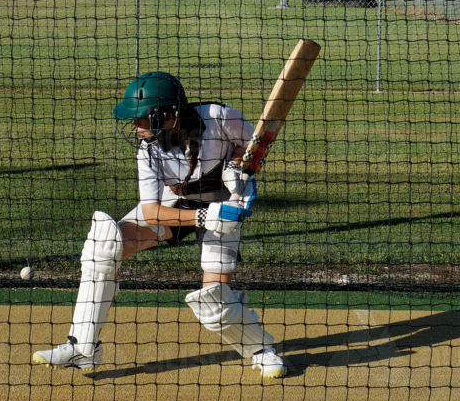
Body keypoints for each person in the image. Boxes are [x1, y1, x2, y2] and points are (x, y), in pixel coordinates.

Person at [32, 71, 287, 379]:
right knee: (103, 244)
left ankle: (261, 349)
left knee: (214, 301)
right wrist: (201, 217)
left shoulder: (219, 117)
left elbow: (254, 148)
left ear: (168, 115)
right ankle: (82, 348)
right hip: (176, 205)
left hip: (223, 200)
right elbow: (152, 211)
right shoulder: (148, 151)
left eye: (142, 118)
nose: (136, 126)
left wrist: (235, 169)